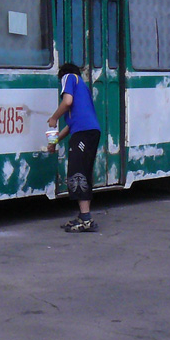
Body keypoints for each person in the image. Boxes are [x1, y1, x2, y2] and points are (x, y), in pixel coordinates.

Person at [47, 63, 101, 232]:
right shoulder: (82, 89)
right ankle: (83, 215)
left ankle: (86, 219)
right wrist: (53, 143)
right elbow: (70, 127)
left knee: (77, 173)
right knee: (81, 171)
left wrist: (54, 118)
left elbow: (67, 101)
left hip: (84, 133)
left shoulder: (69, 77)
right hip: (86, 132)